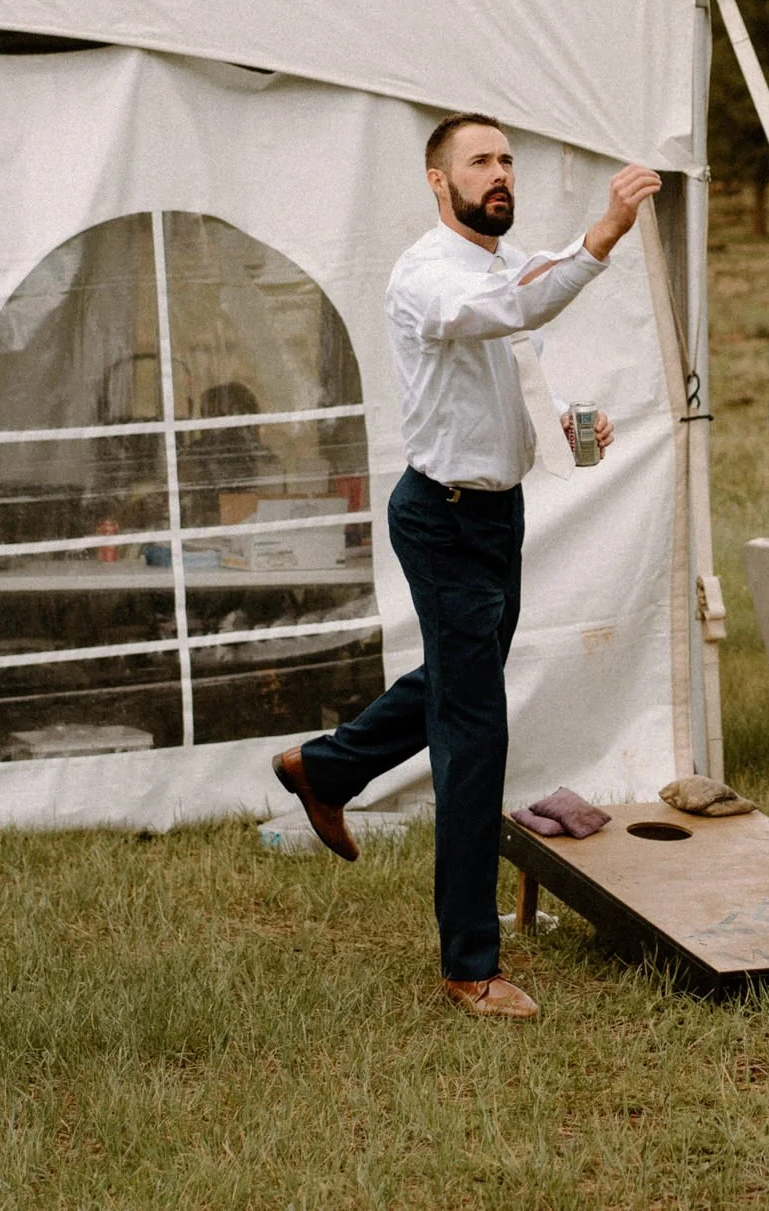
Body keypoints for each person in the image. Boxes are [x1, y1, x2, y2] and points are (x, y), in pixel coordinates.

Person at [270, 112, 657, 1021]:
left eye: (506, 160)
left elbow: (505, 360)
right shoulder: (429, 276)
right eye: (479, 162)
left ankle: (325, 768)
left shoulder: (493, 264)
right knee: (474, 732)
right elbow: (509, 309)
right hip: (442, 520)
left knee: (457, 681)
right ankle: (468, 961)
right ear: (437, 182)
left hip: (495, 515)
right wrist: (599, 238)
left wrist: (557, 426)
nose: (499, 174)